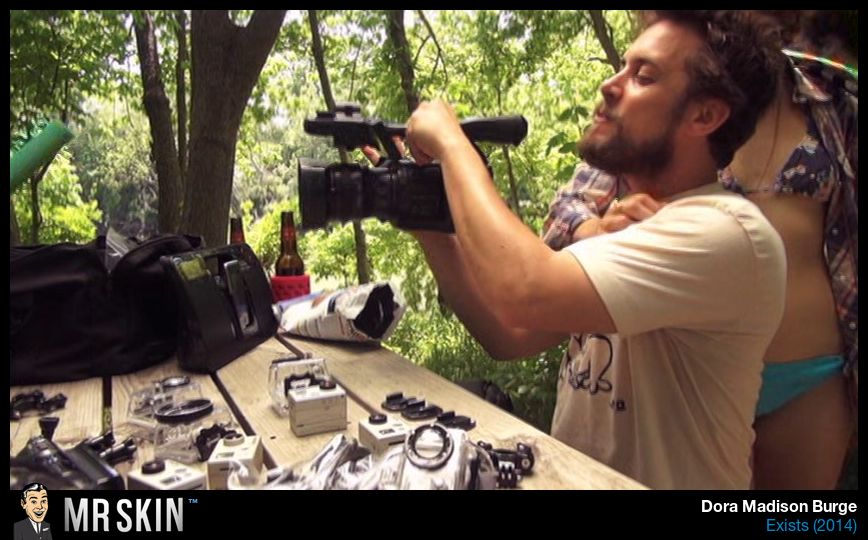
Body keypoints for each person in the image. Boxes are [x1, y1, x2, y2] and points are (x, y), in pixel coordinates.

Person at [394, 11, 785, 489]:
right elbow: (509, 334)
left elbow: (523, 290)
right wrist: (428, 225)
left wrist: (453, 146)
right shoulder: (639, 224)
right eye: (622, 66)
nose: (609, 84)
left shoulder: (727, 232)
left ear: (704, 116)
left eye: (644, 76)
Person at [542, 10, 857, 490]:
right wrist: (592, 228)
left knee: (796, 519)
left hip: (808, 373)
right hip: (685, 371)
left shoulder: (832, 98)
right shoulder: (660, 105)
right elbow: (568, 207)